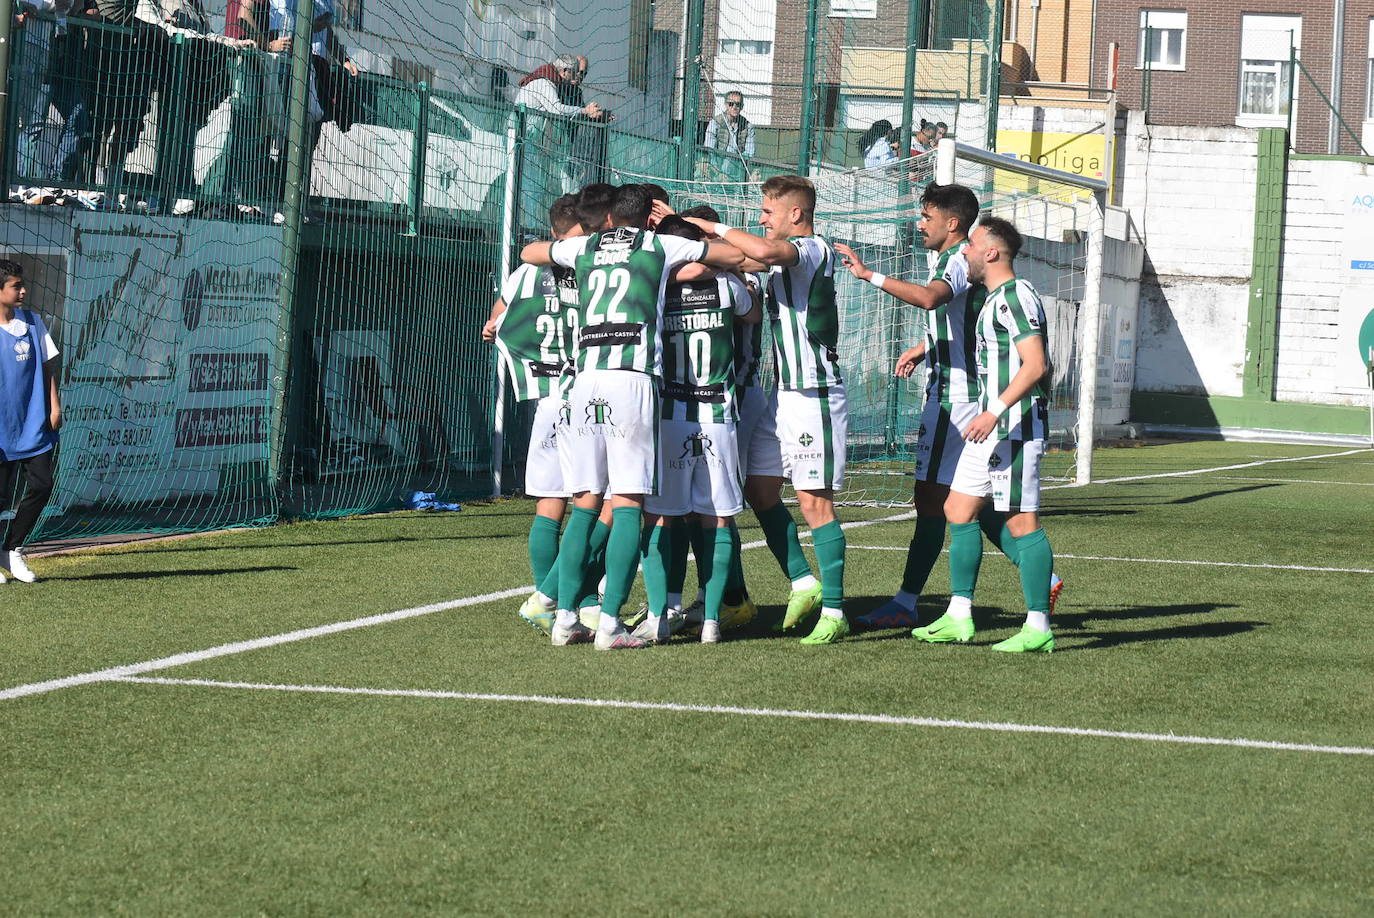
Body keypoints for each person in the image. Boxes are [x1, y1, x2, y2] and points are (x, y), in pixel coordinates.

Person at [521, 184, 743, 650]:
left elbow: (531, 251)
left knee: (585, 499)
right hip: (632, 380)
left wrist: (567, 250)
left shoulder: (585, 244)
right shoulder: (661, 242)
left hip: (584, 381)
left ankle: (564, 616)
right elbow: (736, 257)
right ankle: (609, 625)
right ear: (648, 217)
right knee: (627, 504)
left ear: (609, 219)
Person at [834, 183, 1061, 629]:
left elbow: (932, 297)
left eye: (927, 216)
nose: (920, 223)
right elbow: (964, 320)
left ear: (952, 224)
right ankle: (969, 601)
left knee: (937, 503)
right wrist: (926, 346)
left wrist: (868, 276)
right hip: (964, 393)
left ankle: (910, 602)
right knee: (961, 504)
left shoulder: (958, 260)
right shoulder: (963, 266)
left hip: (957, 399)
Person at [684, 175, 849, 645]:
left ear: (795, 214)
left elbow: (767, 253)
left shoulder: (814, 247)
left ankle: (835, 610)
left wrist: (709, 227)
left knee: (816, 504)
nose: (761, 219)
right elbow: (744, 257)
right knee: (759, 490)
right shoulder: (775, 258)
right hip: (784, 395)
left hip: (815, 395)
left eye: (768, 212)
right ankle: (804, 582)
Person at [915, 217, 1057, 653]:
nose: (965, 252)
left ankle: (1038, 626)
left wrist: (994, 411)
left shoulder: (1015, 296)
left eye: (971, 245)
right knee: (957, 509)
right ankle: (959, 615)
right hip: (990, 427)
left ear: (992, 252)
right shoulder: (995, 299)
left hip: (1014, 427)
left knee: (1022, 522)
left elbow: (1036, 365)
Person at [635, 215, 761, 644]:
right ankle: (710, 619)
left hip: (670, 415)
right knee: (717, 519)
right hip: (718, 415)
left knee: (659, 517)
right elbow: (753, 311)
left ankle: (660, 614)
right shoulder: (727, 285)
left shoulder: (653, 285)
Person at [483, 195, 583, 632]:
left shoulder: (525, 272)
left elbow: (496, 321)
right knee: (593, 503)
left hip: (547, 399)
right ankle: (568, 597)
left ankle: (550, 597)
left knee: (552, 502)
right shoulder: (594, 268)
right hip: (588, 397)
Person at [0, 260, 60, 584]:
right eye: (15, 286)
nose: (23, 290)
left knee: (42, 486)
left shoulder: (33, 323)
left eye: (23, 285)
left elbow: (49, 367)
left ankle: (13, 549)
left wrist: (54, 405)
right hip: (1, 430)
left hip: (34, 424)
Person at [515, 54, 604, 230]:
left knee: (554, 189)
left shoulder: (560, 86)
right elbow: (556, 109)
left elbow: (577, 114)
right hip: (529, 141)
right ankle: (530, 230)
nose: (579, 77)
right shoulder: (546, 83)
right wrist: (585, 111)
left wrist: (595, 115)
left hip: (546, 145)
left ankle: (550, 228)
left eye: (583, 73)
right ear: (564, 72)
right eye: (576, 73)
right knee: (532, 187)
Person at [703, 90, 754, 181]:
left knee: (730, 160)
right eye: (731, 104)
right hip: (717, 165)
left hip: (737, 167)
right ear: (726, 105)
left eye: (738, 104)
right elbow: (709, 148)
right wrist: (716, 170)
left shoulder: (747, 126)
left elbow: (750, 153)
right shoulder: (716, 122)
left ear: (742, 107)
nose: (734, 107)